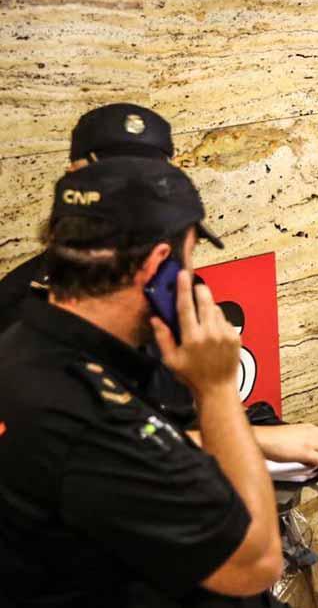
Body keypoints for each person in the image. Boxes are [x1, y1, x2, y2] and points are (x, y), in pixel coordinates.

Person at [0, 158, 284, 605]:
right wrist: (218, 388)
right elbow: (255, 560)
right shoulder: (88, 410)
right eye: (187, 262)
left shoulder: (25, 344)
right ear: (158, 269)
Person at [0, 103, 318, 473]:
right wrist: (250, 439)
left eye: (152, 180)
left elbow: (186, 411)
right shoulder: (20, 310)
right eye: (115, 177)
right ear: (76, 183)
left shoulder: (179, 287)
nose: (135, 198)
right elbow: (91, 449)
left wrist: (251, 427)